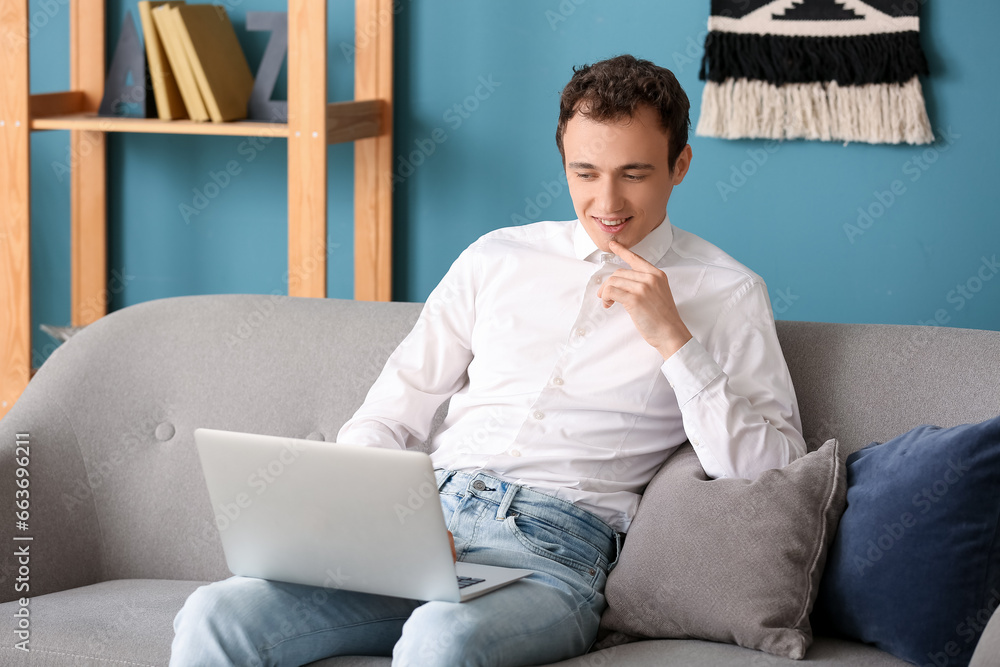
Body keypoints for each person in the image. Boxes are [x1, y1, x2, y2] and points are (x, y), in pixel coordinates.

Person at [170, 54, 807, 667]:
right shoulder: (496, 258)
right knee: (215, 613)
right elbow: (390, 414)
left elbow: (770, 466)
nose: (606, 202)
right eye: (585, 173)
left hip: (554, 550)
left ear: (680, 164)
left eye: (634, 173)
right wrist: (362, 521)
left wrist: (675, 342)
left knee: (441, 637)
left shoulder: (727, 292)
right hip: (421, 525)